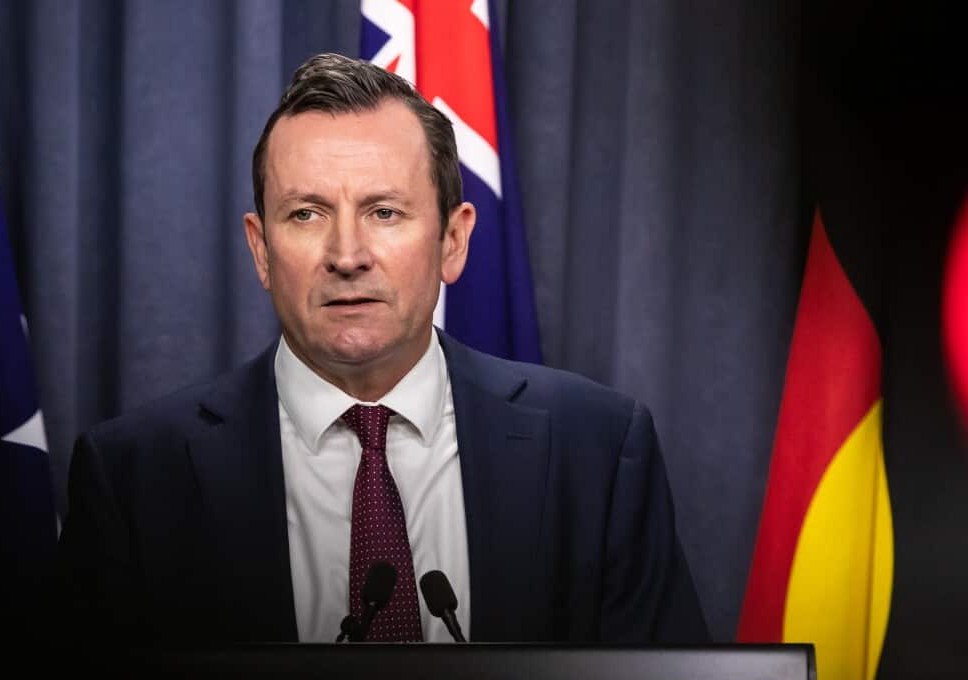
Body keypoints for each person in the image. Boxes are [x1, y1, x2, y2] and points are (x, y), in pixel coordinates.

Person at [55, 53, 706, 645]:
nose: (347, 255)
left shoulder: (597, 450)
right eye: (306, 214)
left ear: (453, 241)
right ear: (261, 250)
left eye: (384, 212)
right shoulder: (135, 476)